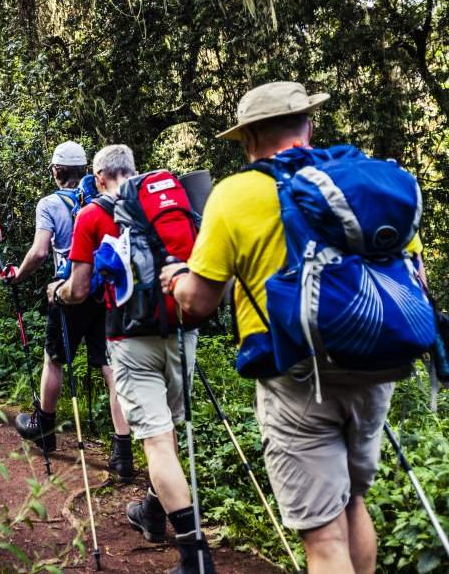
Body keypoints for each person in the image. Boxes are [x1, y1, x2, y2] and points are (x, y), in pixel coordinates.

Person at [161, 81, 424, 574]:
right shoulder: (366, 184)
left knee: (323, 536)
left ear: (250, 139)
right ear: (308, 123)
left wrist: (176, 280)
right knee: (352, 503)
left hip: (297, 375)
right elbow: (416, 277)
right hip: (377, 363)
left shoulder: (235, 194)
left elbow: (198, 302)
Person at [50, 144, 210, 574]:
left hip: (129, 336)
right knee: (169, 430)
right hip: (181, 326)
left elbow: (79, 290)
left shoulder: (92, 214)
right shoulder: (166, 202)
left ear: (99, 176)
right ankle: (154, 514)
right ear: (134, 171)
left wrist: (58, 291)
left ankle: (195, 556)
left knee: (156, 441)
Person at [2, 141, 134, 482]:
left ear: (57, 171)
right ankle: (123, 451)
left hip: (70, 291)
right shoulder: (108, 200)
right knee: (110, 367)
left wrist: (19, 273)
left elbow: (40, 251)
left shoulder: (49, 204)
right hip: (107, 292)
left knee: (55, 359)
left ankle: (44, 428)